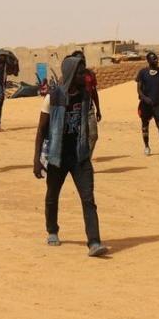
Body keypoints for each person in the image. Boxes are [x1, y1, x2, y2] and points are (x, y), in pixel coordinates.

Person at [33, 56, 108, 257]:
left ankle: (94, 242)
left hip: (79, 156)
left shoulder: (85, 96)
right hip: (57, 155)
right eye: (81, 73)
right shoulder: (53, 97)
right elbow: (41, 130)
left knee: (88, 198)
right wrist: (37, 160)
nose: (85, 76)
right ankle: (52, 230)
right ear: (72, 74)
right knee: (52, 196)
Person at [136, 52, 159, 157]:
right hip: (145, 105)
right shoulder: (143, 73)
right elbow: (138, 90)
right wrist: (145, 98)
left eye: (156, 58)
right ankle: (147, 146)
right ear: (148, 61)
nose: (156, 60)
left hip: (157, 104)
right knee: (145, 126)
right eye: (153, 59)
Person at [71, 50, 102, 156]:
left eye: (83, 58)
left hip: (89, 109)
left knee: (93, 135)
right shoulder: (70, 75)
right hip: (75, 110)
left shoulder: (90, 74)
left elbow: (94, 92)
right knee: (78, 137)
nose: (83, 60)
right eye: (80, 59)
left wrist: (98, 109)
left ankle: (86, 159)